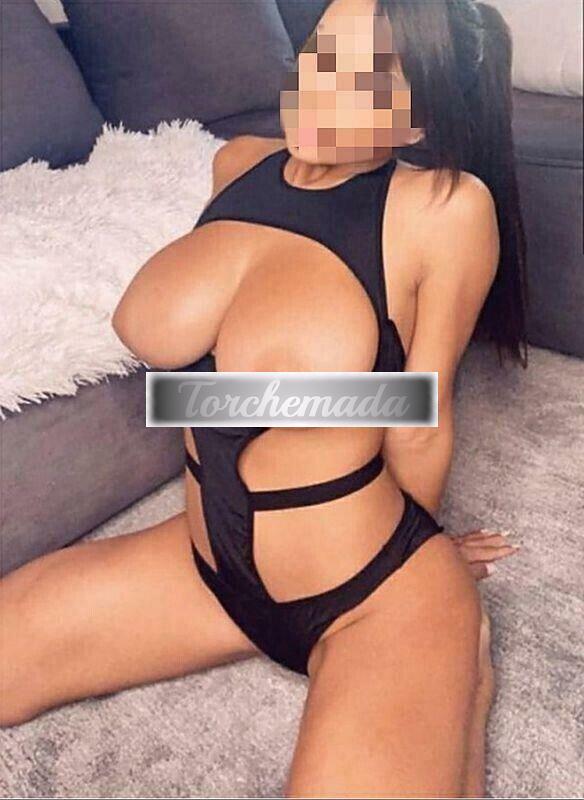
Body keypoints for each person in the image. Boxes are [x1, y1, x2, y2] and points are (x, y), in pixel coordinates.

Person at [1, 0, 527, 796]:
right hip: (207, 566)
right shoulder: (236, 165)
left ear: (418, 119)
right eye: (320, 53)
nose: (321, 87)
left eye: (365, 79)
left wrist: (419, 547)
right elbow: (194, 396)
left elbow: (419, 415)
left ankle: (462, 671)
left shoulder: (443, 209)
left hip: (369, 592)